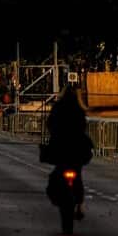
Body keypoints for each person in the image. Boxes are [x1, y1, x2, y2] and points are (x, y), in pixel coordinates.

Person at [45, 87, 91, 220]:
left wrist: (55, 136)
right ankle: (80, 204)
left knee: (57, 173)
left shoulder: (58, 107)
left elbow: (50, 124)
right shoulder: (79, 109)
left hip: (61, 147)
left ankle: (58, 196)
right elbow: (83, 127)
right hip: (76, 148)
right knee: (78, 175)